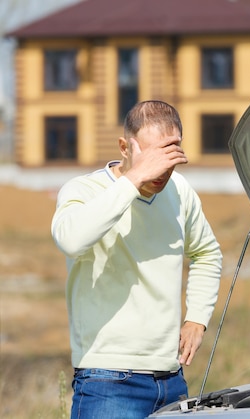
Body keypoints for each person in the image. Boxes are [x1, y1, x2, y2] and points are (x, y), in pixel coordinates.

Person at [51, 100, 223, 418]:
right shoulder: (84, 189)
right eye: (153, 156)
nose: (162, 171)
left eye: (170, 157)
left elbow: (207, 253)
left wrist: (197, 318)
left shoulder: (180, 192)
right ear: (124, 147)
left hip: (172, 380)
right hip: (107, 380)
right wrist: (133, 180)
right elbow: (70, 240)